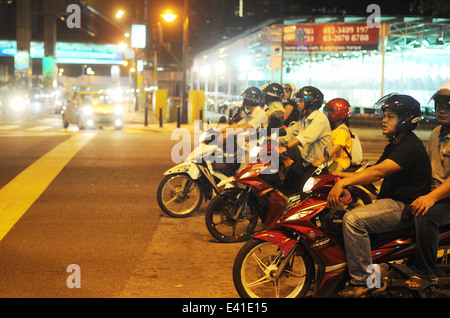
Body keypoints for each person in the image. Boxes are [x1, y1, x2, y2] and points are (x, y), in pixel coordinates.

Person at [327, 93, 431, 297]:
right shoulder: (395, 144)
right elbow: (371, 170)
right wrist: (338, 176)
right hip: (390, 202)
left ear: (405, 120)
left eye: (390, 116)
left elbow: (379, 172)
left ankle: (362, 281)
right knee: (344, 216)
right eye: (384, 115)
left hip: (403, 207)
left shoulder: (409, 147)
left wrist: (345, 181)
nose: (384, 120)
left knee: (353, 220)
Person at [404, 82, 450, 290]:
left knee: (426, 214)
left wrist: (430, 198)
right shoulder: (435, 133)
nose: (442, 110)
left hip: (446, 197)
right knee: (405, 208)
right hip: (438, 193)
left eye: (448, 106)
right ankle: (411, 259)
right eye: (439, 105)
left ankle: (425, 272)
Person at [278, 86, 332, 192]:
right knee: (286, 187)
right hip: (304, 162)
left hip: (317, 165)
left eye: (301, 101)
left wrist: (286, 147)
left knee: (305, 193)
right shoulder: (304, 119)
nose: (297, 103)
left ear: (310, 102)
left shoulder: (319, 118)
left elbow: (305, 137)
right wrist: (267, 138)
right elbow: (289, 134)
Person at [220, 86, 268, 169]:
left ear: (248, 100)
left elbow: (247, 126)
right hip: (246, 144)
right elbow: (237, 125)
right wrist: (219, 131)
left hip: (256, 147)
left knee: (241, 171)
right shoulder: (251, 114)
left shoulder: (260, 114)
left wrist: (228, 134)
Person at [312, 98, 352, 172]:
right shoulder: (332, 128)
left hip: (341, 161)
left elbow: (336, 147)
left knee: (330, 175)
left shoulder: (342, 130)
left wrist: (320, 160)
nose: (326, 114)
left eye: (329, 111)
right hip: (331, 159)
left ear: (337, 113)